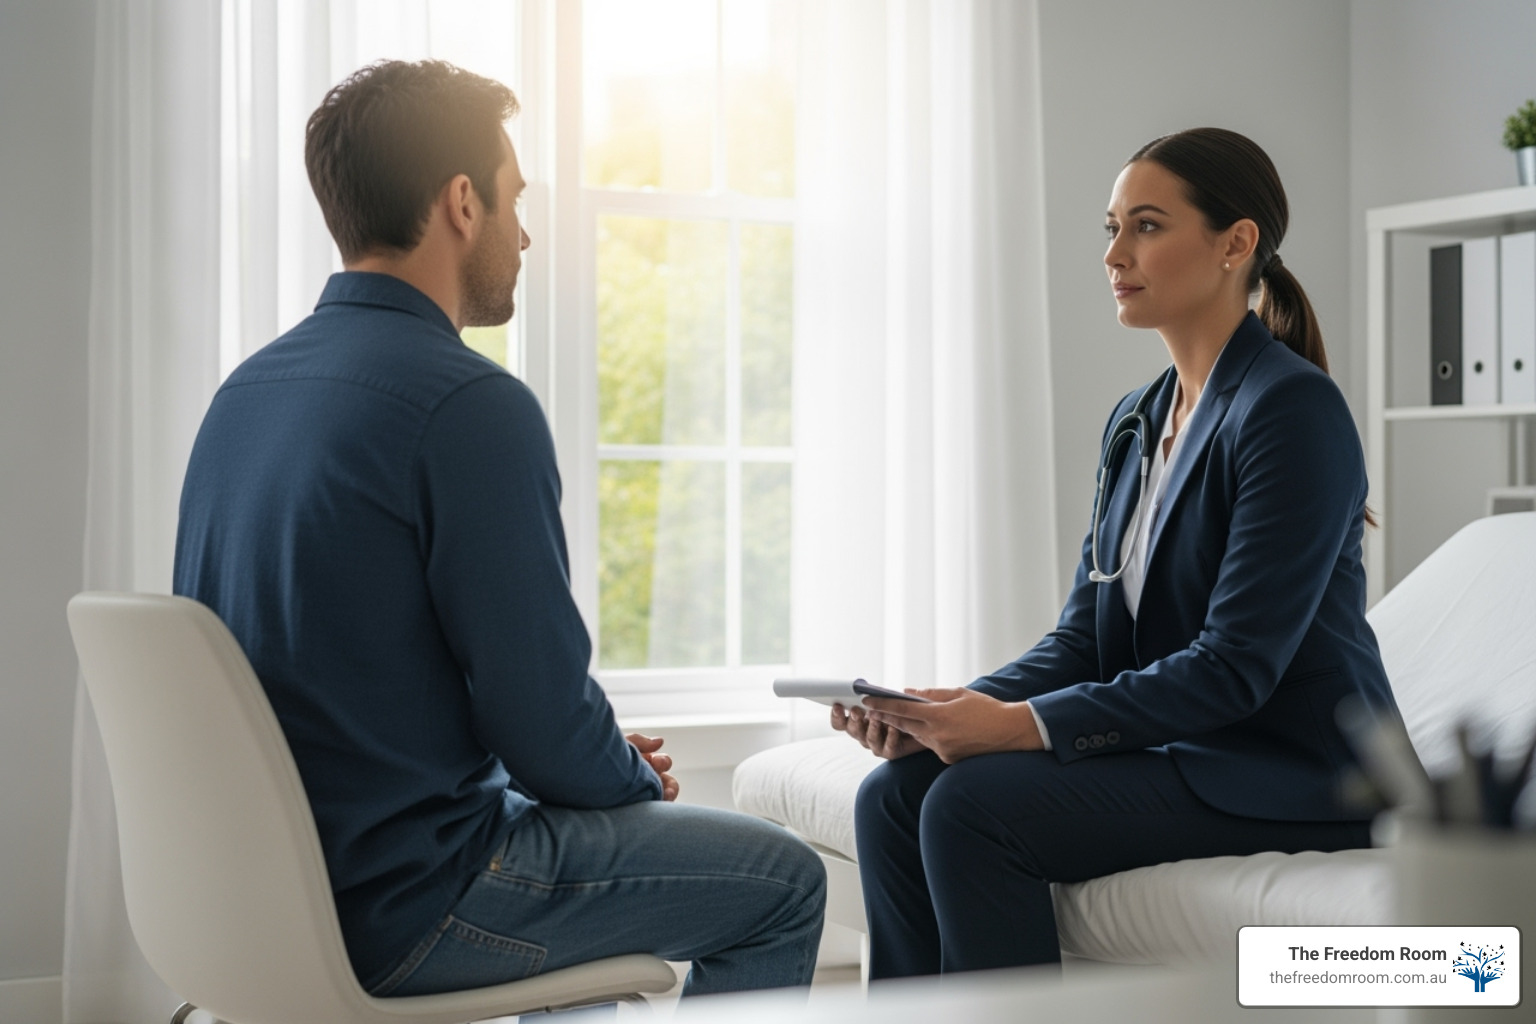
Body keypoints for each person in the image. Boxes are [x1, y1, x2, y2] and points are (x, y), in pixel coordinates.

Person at [174, 59, 824, 999]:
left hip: (262, 898)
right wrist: (614, 778)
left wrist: (586, 767)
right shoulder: (467, 403)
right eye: (516, 200)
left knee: (582, 824)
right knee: (784, 881)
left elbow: (368, 694)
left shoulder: (247, 394)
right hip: (410, 902)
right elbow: (544, 720)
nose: (525, 234)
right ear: (462, 203)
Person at [833, 127, 1402, 979]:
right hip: (1198, 753)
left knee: (971, 809)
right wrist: (949, 713)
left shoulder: (1291, 409)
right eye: (1110, 228)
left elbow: (1233, 669)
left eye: (1146, 225)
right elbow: (1085, 640)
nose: (1115, 254)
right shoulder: (1138, 420)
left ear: (1234, 244)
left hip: (1298, 771)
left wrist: (1018, 730)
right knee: (891, 797)